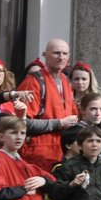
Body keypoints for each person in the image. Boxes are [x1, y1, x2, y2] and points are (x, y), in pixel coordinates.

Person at [15, 39, 80, 173]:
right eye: (56, 53)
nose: (61, 57)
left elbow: (73, 115)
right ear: (45, 55)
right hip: (38, 154)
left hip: (62, 153)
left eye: (64, 53)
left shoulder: (65, 80)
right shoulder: (33, 82)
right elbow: (21, 123)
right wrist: (59, 123)